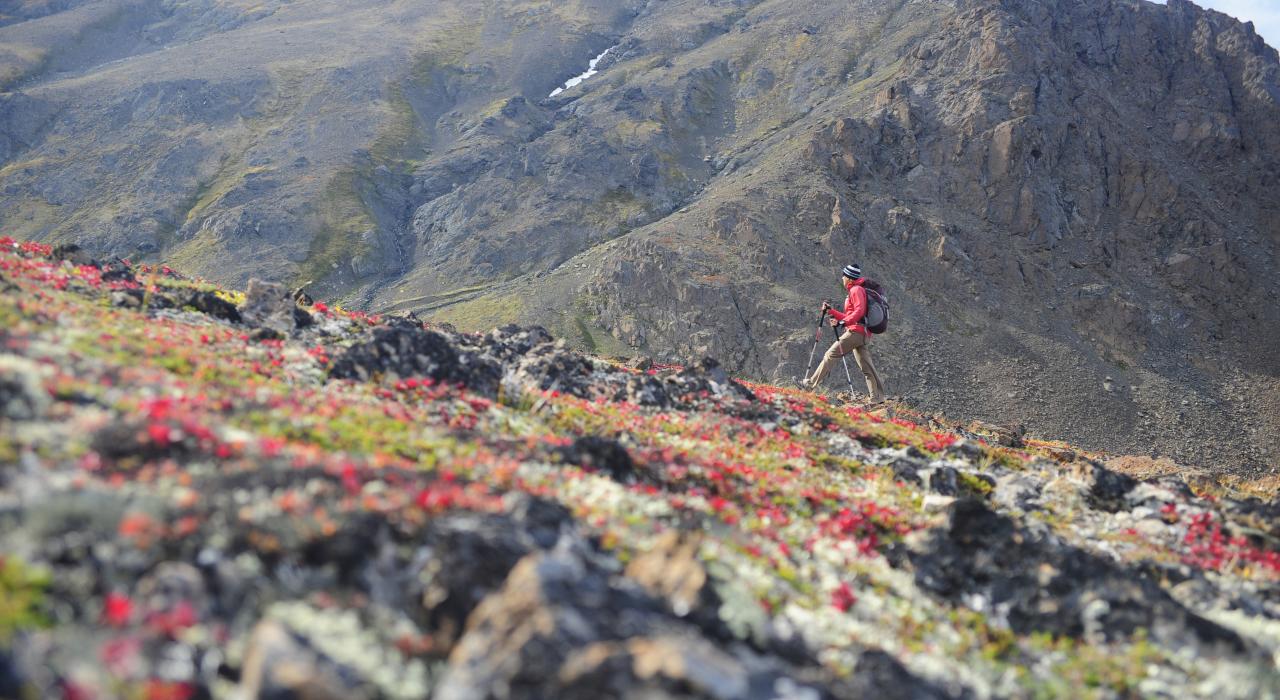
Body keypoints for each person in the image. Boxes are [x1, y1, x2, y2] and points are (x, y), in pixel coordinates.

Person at [803, 264, 886, 402]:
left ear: (849, 278)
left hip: (856, 332)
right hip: (862, 333)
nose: (842, 278)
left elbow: (859, 311)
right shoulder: (857, 290)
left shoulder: (856, 290)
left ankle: (809, 385)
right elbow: (851, 315)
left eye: (844, 275)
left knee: (830, 354)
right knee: (867, 367)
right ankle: (877, 397)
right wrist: (831, 311)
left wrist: (842, 323)